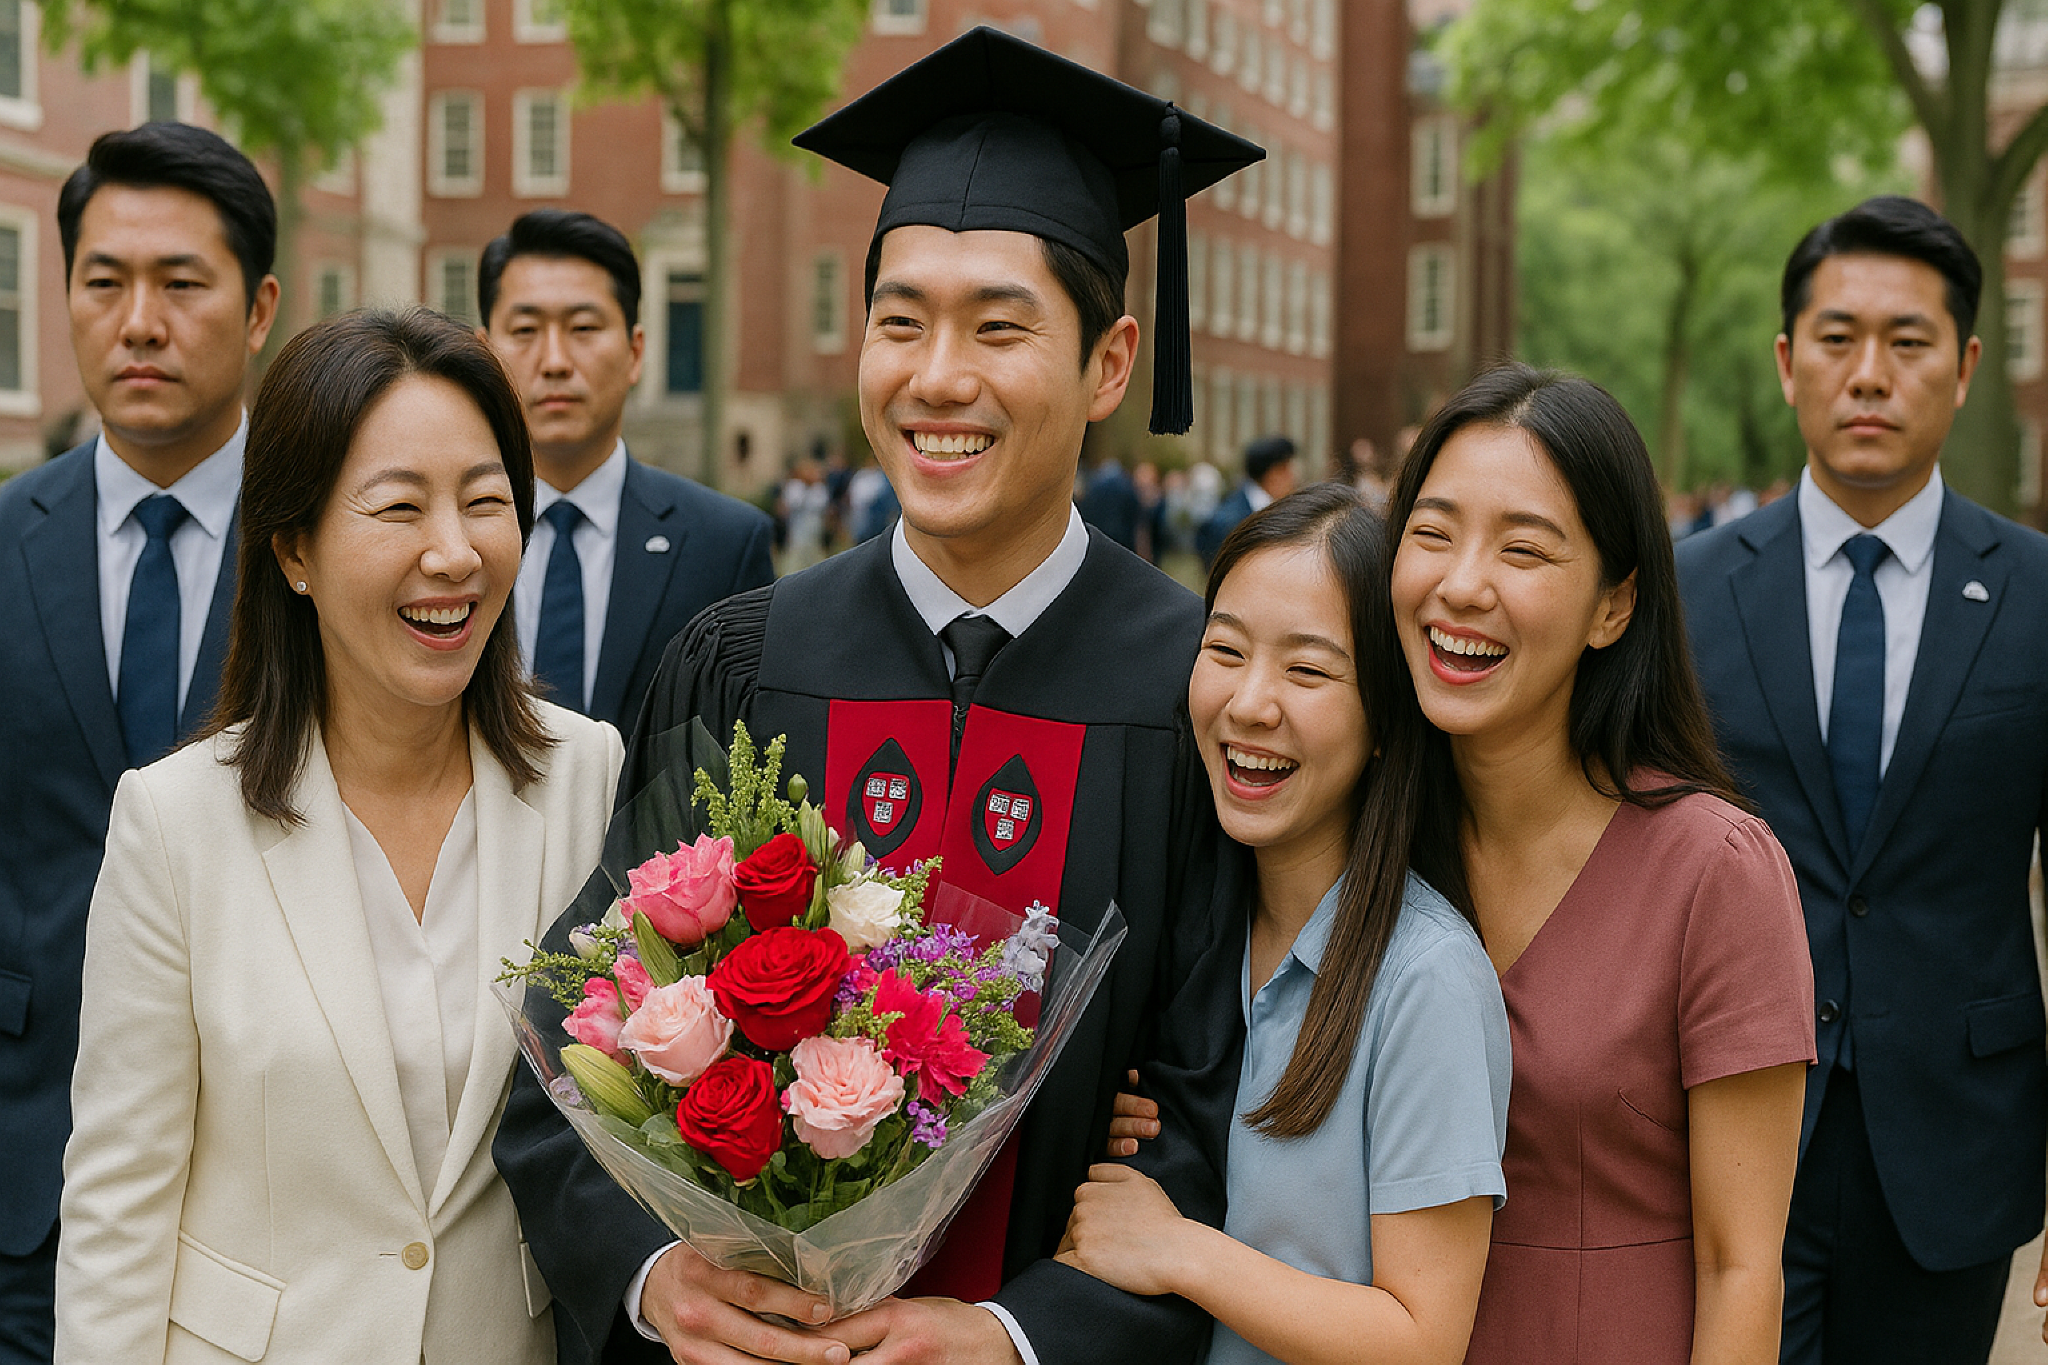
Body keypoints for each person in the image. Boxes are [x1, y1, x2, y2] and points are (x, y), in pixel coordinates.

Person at [493, 25, 1261, 1365]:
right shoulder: (741, 662)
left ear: (1111, 362)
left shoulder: (1194, 692)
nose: (935, 376)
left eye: (997, 325)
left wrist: (1025, 1337)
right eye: (900, 321)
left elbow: (1217, 1105)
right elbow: (574, 1035)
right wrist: (657, 1268)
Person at [53, 308, 623, 1364]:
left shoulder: (587, 780)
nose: (451, 553)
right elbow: (116, 1213)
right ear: (295, 551)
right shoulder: (174, 825)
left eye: (485, 502)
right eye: (398, 508)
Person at [1673, 196, 2048, 1364]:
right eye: (1836, 340)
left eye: (1907, 341)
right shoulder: (1683, 592)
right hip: (1724, 1142)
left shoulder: (2037, 595)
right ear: (1787, 363)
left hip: (1953, 1151)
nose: (1869, 374)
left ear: (1965, 365)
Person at [1387, 364, 1816, 1363]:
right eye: (1431, 531)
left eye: (1522, 550)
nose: (1460, 585)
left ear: (1612, 607)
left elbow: (1740, 1268)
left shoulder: (1714, 874)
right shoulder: (1363, 840)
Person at [1057, 484, 1510, 1365]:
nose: (1251, 703)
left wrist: (1178, 1249)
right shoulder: (1186, 936)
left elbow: (1423, 1338)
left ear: (1386, 716)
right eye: (1224, 650)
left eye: (1307, 670)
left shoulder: (1426, 978)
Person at [0, 122, 279, 1364]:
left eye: (181, 283)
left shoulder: (328, 549)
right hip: (25, 1180)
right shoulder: (7, 539)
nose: (139, 321)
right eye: (104, 282)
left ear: (259, 306)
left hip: (272, 1191)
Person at [479, 209, 775, 735]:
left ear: (635, 352)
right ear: (483, 354)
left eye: (583, 328)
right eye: (525, 330)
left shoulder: (723, 545)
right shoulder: (446, 539)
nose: (554, 361)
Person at [1197, 435, 1298, 568]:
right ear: (1271, 474)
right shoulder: (1229, 521)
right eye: (1285, 469)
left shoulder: (1278, 509)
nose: (1292, 477)